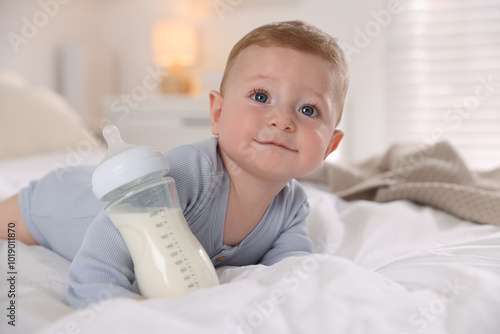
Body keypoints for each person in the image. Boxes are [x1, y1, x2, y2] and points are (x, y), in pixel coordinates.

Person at [0, 20, 349, 308]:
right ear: (217, 113)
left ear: (330, 146)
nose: (281, 119)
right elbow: (94, 274)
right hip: (60, 204)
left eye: (308, 110)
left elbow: (291, 276)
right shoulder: (185, 173)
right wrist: (121, 302)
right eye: (261, 96)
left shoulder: (293, 208)